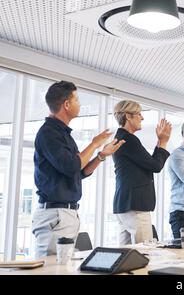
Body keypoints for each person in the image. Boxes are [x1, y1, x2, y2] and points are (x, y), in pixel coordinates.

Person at [32, 81, 124, 258]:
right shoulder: (48, 133)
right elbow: (72, 165)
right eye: (77, 99)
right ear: (66, 104)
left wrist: (100, 155)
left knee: (62, 268)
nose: (79, 104)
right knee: (51, 269)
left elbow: (78, 172)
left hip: (66, 213)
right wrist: (95, 143)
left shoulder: (63, 134)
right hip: (55, 214)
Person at [112, 100, 172, 245]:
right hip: (136, 206)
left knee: (125, 257)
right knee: (145, 253)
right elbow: (156, 166)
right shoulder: (128, 139)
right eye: (139, 114)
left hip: (125, 205)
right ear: (128, 116)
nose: (142, 118)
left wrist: (160, 142)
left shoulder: (121, 137)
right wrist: (163, 141)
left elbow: (149, 163)